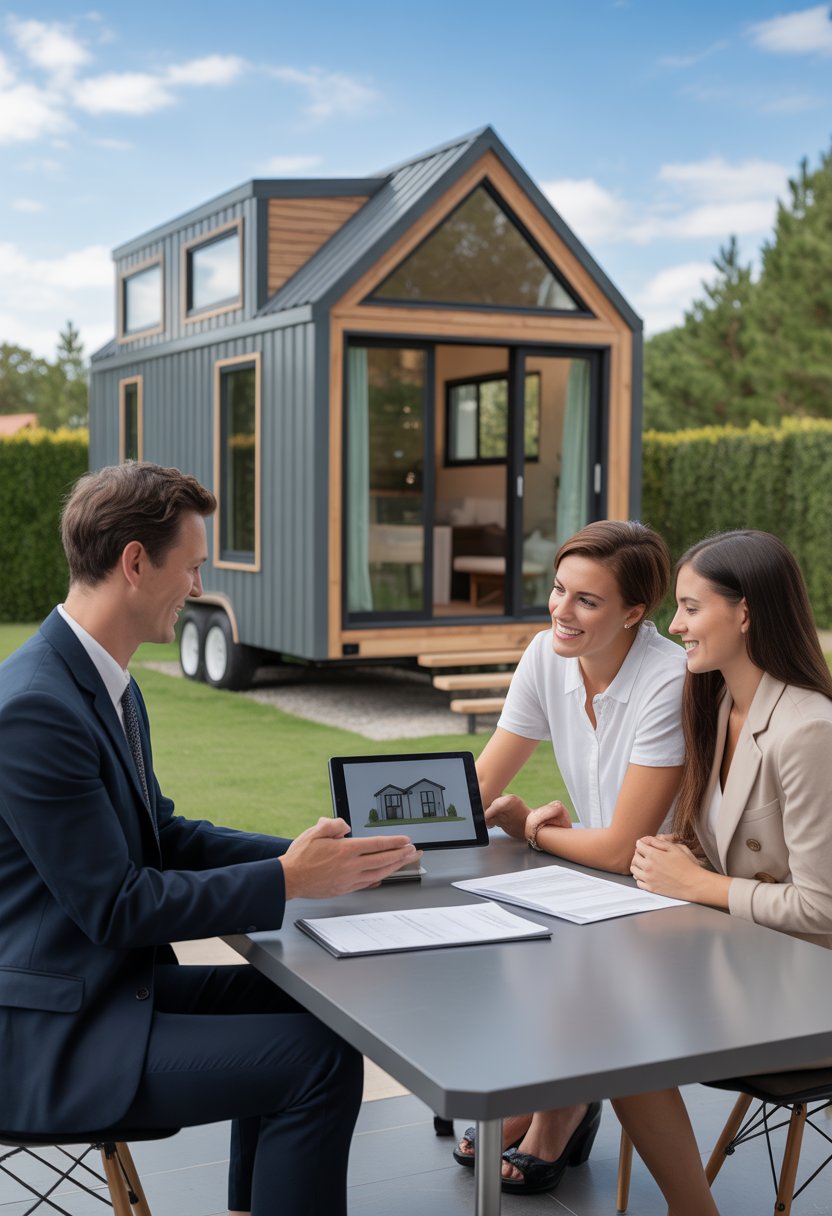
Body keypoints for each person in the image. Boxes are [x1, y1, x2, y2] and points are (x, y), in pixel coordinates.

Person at [0, 462, 421, 1216]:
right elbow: (118, 907)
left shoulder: (101, 683)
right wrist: (292, 879)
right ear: (136, 562)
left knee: (319, 1008)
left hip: (104, 992)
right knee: (317, 1064)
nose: (197, 588)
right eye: (192, 567)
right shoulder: (38, 708)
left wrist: (326, 861)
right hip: (51, 1035)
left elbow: (162, 836)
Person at [454, 519, 687, 1193]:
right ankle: (545, 1092)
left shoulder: (666, 680)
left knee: (560, 951)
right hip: (597, 874)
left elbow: (623, 848)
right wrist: (398, 838)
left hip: (666, 886)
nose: (561, 610)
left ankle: (561, 1108)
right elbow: (481, 787)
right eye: (559, 590)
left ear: (634, 613)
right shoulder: (544, 654)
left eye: (587, 600)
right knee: (503, 925)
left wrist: (533, 832)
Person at [615, 529, 832, 1216]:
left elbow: (824, 910)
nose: (673, 625)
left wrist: (699, 886)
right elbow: (712, 851)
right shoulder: (716, 705)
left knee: (619, 1033)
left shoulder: (809, 731)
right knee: (601, 1004)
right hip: (745, 962)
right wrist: (672, 865)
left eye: (689, 607)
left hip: (809, 988)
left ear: (745, 613)